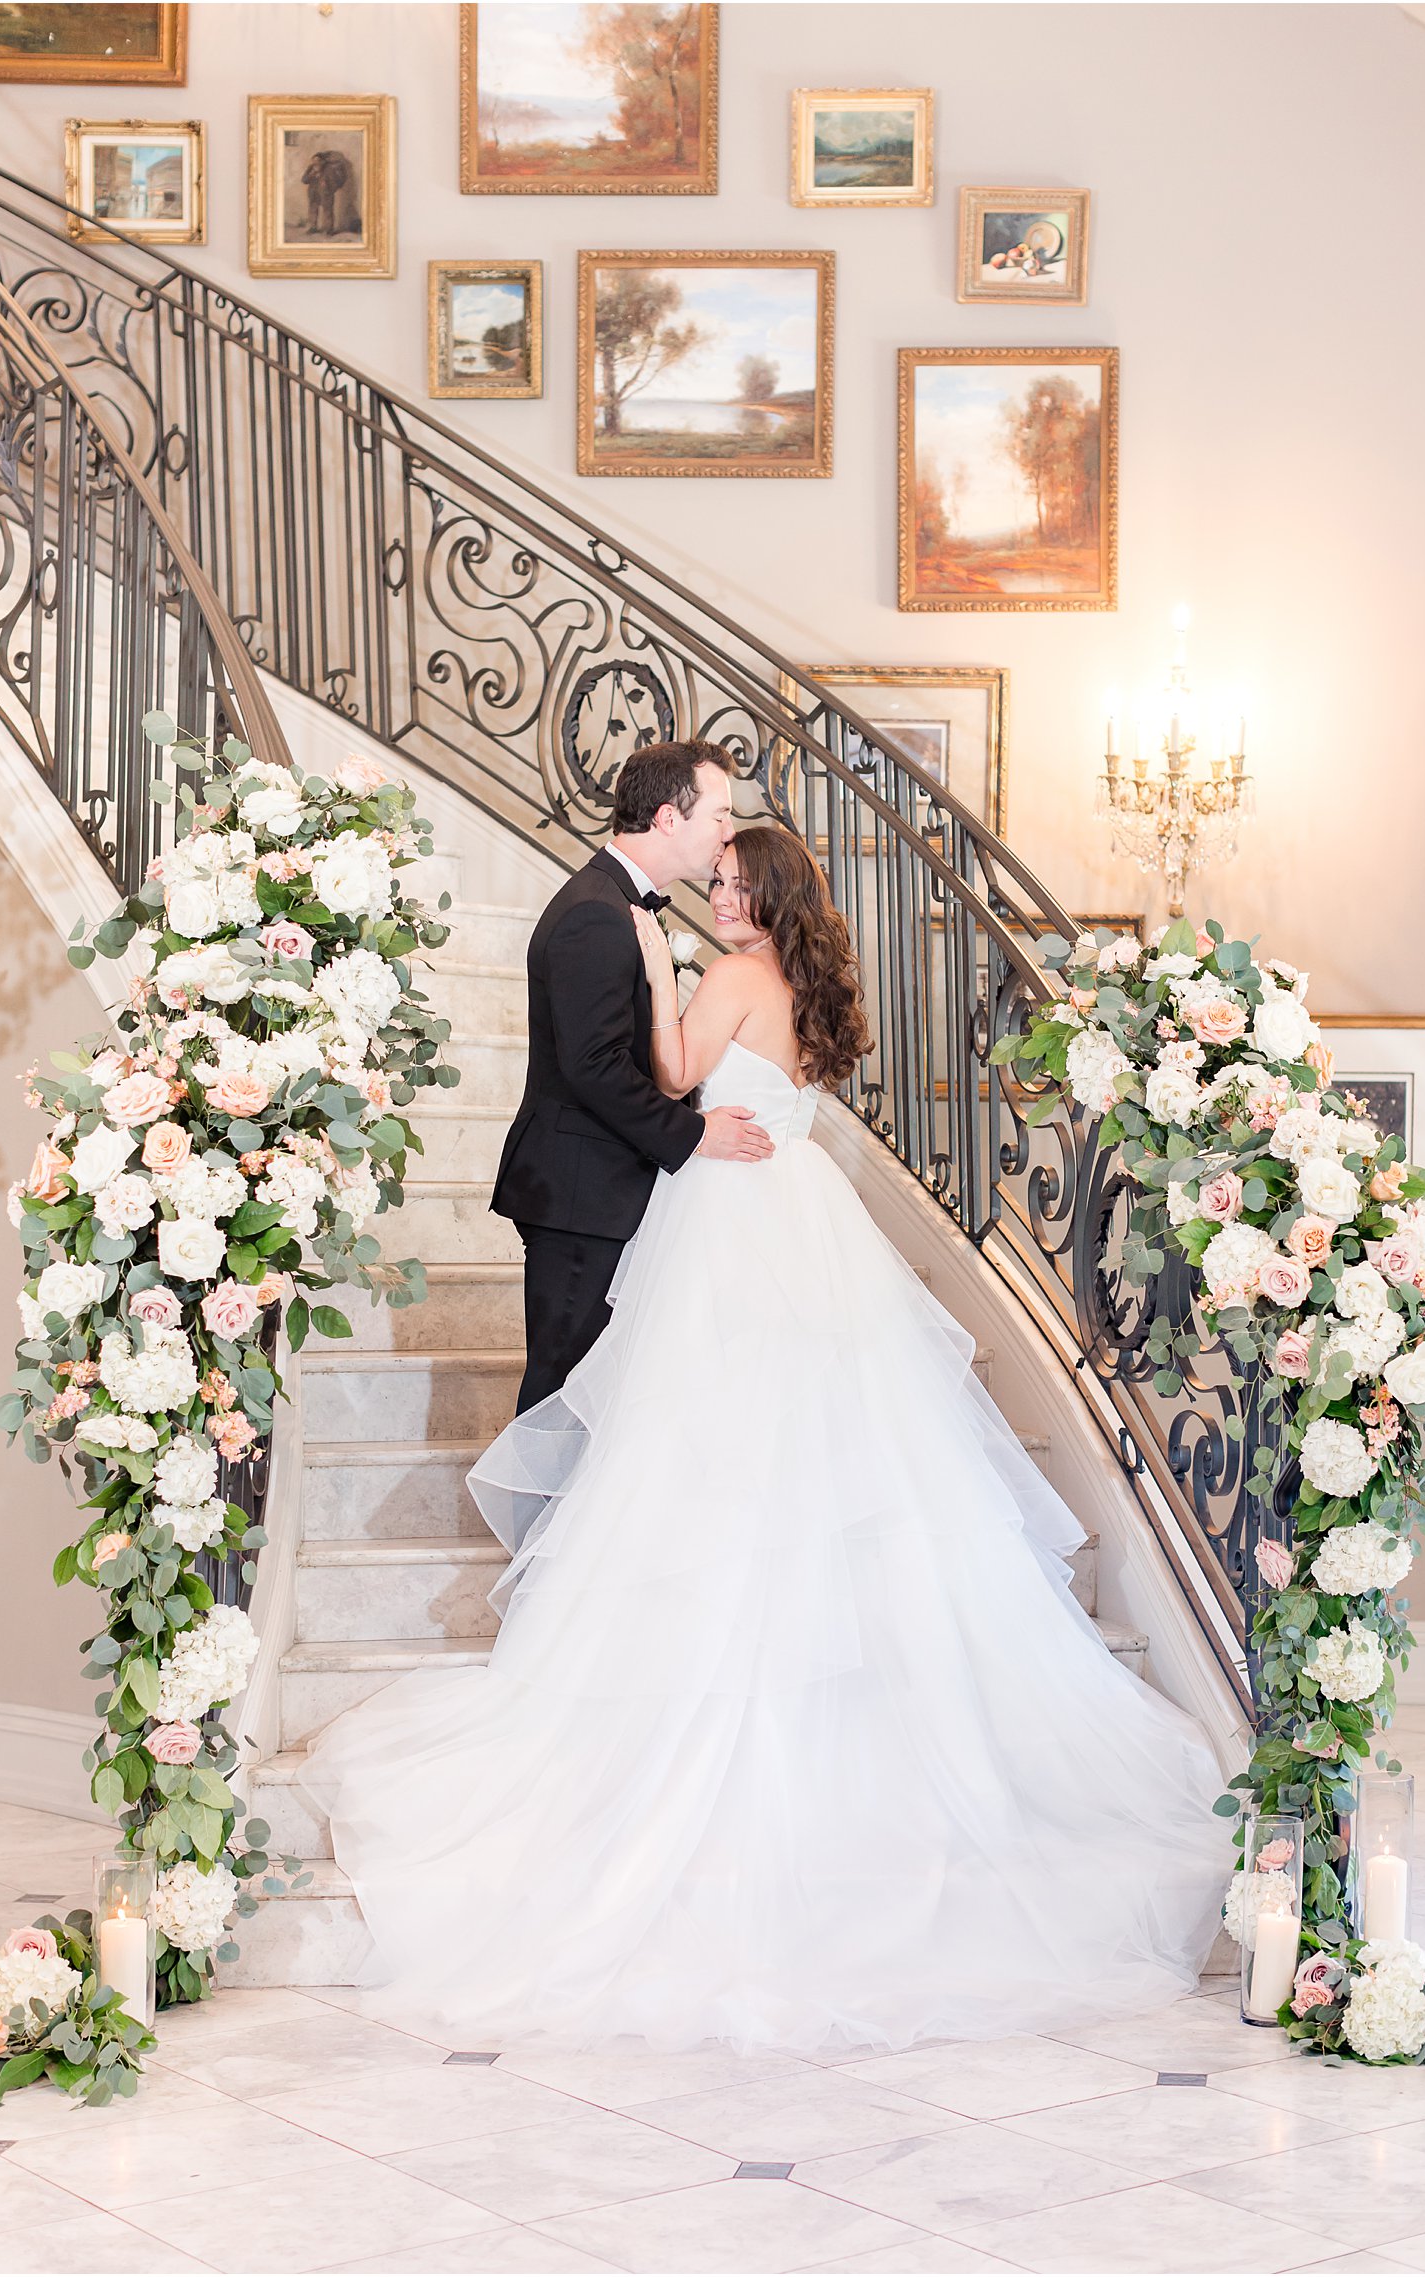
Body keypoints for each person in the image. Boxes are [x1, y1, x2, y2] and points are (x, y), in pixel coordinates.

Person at [299, 827, 1232, 2054]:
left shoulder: (726, 976)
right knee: (804, 1445)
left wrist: (652, 970)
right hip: (796, 1211)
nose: (718, 895)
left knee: (708, 1442)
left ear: (770, 898)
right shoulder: (801, 989)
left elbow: (676, 1077)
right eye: (717, 879)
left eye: (736, 884)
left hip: (732, 1223)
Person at [490, 740, 773, 1416]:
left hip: (603, 1185)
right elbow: (594, 1067)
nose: (727, 833)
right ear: (670, 817)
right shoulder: (596, 911)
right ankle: (542, 1526)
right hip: (581, 1192)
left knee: (598, 1392)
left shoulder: (622, 902)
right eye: (719, 814)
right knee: (562, 1390)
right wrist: (694, 1133)